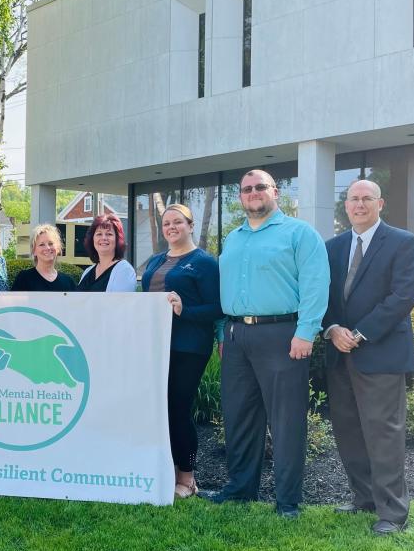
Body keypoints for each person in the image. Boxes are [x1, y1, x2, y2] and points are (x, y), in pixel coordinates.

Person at [205, 169, 329, 518]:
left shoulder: (299, 233)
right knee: (239, 416)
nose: (254, 193)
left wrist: (306, 332)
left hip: (283, 335)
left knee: (286, 421)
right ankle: (240, 490)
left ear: (275, 191)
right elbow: (223, 288)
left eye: (261, 187)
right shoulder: (234, 238)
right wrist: (222, 333)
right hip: (236, 336)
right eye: (247, 189)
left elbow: (316, 284)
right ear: (240, 197)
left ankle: (287, 501)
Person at [322, 180, 414, 535]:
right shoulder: (332, 247)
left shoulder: (403, 243)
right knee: (348, 432)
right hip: (339, 353)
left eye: (367, 199)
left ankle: (393, 513)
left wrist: (361, 333)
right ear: (345, 206)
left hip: (380, 353)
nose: (360, 204)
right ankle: (363, 498)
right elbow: (324, 296)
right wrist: (333, 328)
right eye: (353, 199)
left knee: (383, 435)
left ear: (380, 203)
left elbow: (402, 296)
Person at [141, 205, 221, 499]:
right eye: (166, 223)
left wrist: (184, 310)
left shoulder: (204, 263)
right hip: (156, 345)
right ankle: (165, 470)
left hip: (188, 347)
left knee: (178, 407)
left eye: (178, 222)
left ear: (190, 225)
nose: (171, 227)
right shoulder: (157, 260)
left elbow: (217, 307)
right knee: (159, 409)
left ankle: (187, 478)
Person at [76, 213, 137, 292]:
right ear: (92, 239)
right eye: (99, 234)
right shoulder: (88, 271)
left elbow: (120, 303)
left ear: (118, 239)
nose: (104, 238)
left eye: (109, 234)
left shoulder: (124, 270)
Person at [11, 224, 76, 292]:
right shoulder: (24, 278)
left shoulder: (68, 282)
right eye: (42, 244)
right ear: (34, 251)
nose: (47, 248)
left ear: (58, 248)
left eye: (51, 243)